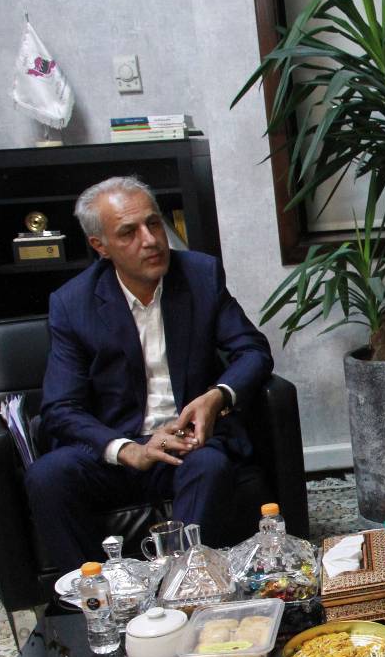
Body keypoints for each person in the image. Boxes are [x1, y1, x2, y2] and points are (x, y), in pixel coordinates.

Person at [25, 176, 273, 570]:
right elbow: (60, 407)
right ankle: (93, 593)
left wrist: (216, 396)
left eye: (154, 223)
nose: (151, 240)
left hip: (189, 444)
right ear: (100, 246)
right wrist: (128, 450)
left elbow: (253, 351)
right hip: (119, 446)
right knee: (47, 476)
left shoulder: (201, 275)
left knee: (210, 466)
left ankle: (184, 586)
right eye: (129, 232)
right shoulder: (73, 304)